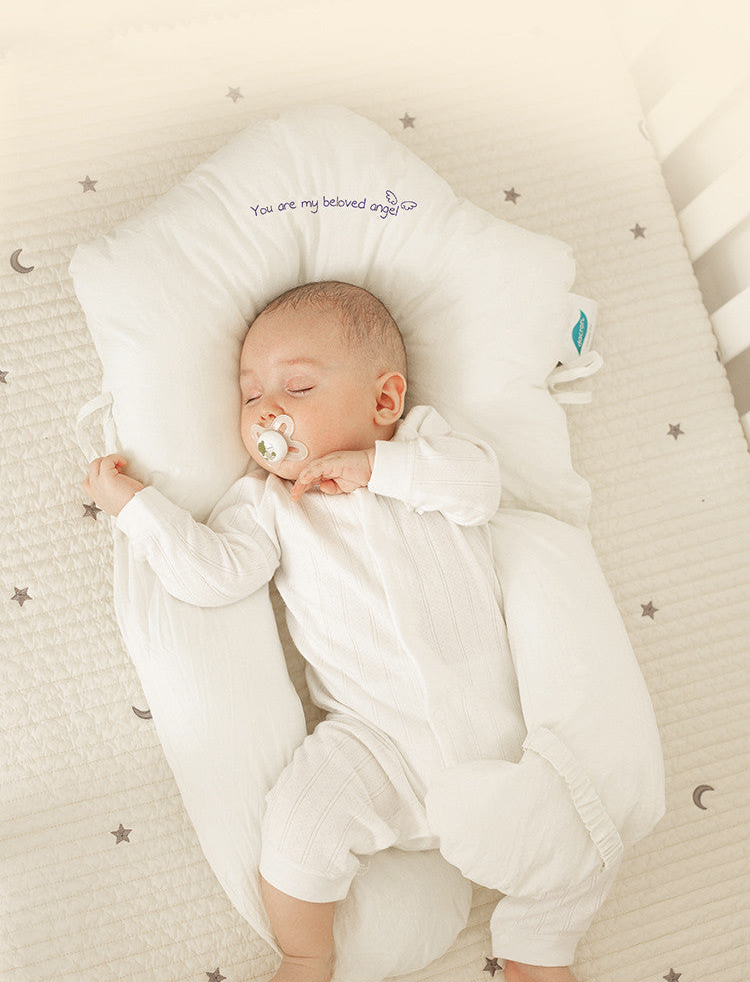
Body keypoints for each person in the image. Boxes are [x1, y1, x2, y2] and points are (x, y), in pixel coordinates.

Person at [83, 280, 616, 982]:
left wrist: (378, 468)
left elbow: (479, 490)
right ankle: (306, 954)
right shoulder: (268, 503)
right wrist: (136, 507)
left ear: (385, 401)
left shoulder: (427, 451)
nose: (266, 409)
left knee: (588, 821)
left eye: (298, 387)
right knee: (298, 825)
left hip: (501, 730)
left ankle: (537, 951)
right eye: (250, 395)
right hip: (374, 742)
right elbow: (214, 576)